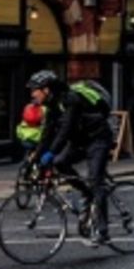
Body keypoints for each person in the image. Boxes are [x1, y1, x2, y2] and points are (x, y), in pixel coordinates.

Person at [30, 69, 115, 246]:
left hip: (98, 139)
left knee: (95, 180)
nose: (32, 94)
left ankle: (103, 231)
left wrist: (51, 152)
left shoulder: (71, 100)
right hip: (80, 141)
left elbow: (65, 130)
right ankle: (87, 193)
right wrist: (35, 158)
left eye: (35, 89)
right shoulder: (52, 106)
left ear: (46, 90)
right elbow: (47, 133)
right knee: (60, 163)